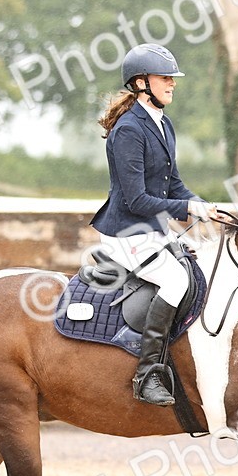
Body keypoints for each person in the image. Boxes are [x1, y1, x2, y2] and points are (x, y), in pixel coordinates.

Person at [90, 43, 221, 407]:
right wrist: (189, 209)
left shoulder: (163, 124)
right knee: (176, 280)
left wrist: (202, 205)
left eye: (172, 79)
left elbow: (173, 183)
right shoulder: (129, 130)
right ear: (141, 82)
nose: (172, 84)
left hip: (151, 228)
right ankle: (147, 375)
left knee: (196, 270)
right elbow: (136, 200)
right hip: (126, 231)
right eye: (165, 78)